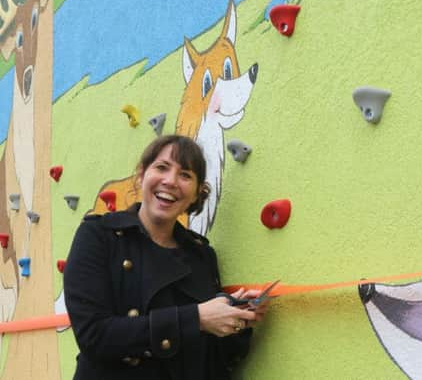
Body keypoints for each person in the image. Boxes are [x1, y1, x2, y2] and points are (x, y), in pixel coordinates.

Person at [64, 134, 269, 380]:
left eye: (185, 175)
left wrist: (238, 318)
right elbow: (93, 336)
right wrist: (198, 318)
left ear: (196, 194)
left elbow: (213, 359)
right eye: (162, 167)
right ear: (141, 175)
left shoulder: (202, 254)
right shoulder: (99, 236)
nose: (171, 181)